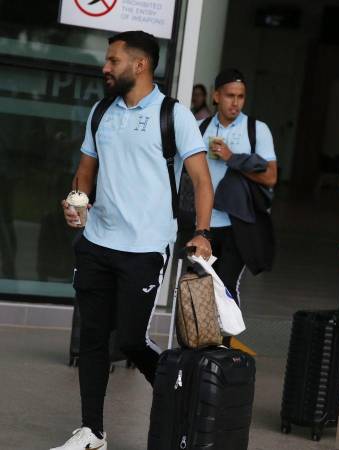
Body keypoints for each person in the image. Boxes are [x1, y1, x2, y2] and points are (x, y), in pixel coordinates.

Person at [52, 31, 213, 450]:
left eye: (113, 61)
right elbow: (86, 170)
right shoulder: (102, 111)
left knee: (128, 339)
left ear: (140, 65)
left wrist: (202, 232)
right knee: (92, 336)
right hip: (97, 240)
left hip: (144, 246)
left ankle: (176, 389)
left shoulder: (172, 115)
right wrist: (78, 202)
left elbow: (201, 180)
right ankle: (92, 432)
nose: (105, 68)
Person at [199, 68, 277, 309]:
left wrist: (232, 158)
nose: (235, 103)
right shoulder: (199, 128)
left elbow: (271, 177)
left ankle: (223, 346)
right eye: (229, 96)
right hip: (204, 223)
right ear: (216, 96)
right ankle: (199, 344)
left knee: (226, 285)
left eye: (240, 97)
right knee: (201, 285)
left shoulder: (257, 129)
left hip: (238, 223)